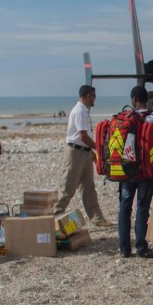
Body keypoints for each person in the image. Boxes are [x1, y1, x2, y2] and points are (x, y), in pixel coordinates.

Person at [54, 85, 112, 227]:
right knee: (68, 186)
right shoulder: (80, 111)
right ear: (88, 95)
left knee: (88, 188)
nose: (95, 99)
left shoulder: (84, 111)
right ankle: (55, 215)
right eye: (94, 96)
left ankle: (97, 218)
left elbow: (84, 138)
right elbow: (83, 136)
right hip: (76, 153)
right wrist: (98, 148)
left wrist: (91, 154)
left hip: (83, 152)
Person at [117, 86, 153, 259]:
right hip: (146, 171)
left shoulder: (126, 118)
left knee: (124, 207)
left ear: (134, 99)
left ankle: (124, 249)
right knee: (142, 208)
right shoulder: (152, 118)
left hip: (127, 169)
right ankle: (141, 248)